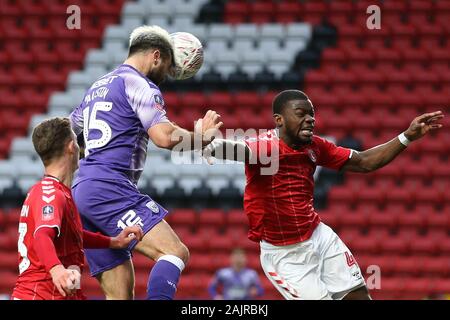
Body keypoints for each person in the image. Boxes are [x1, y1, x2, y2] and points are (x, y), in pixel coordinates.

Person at [202, 89, 444, 300]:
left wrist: (407, 137)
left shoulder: (316, 146)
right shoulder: (265, 148)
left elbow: (365, 162)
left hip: (318, 235)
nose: (309, 120)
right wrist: (208, 142)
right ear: (279, 120)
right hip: (284, 254)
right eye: (301, 114)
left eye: (311, 115)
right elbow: (233, 150)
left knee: (359, 295)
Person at [69, 25, 222, 300]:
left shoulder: (97, 86)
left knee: (120, 297)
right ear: (155, 56)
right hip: (110, 186)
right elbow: (163, 137)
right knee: (174, 252)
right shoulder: (139, 84)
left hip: (82, 189)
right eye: (167, 66)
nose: (167, 75)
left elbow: (67, 132)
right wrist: (201, 138)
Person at [11, 117, 143, 300]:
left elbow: (72, 235)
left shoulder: (56, 192)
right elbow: (42, 236)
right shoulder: (50, 193)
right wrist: (57, 270)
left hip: (61, 293)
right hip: (39, 294)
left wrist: (113, 242)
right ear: (71, 146)